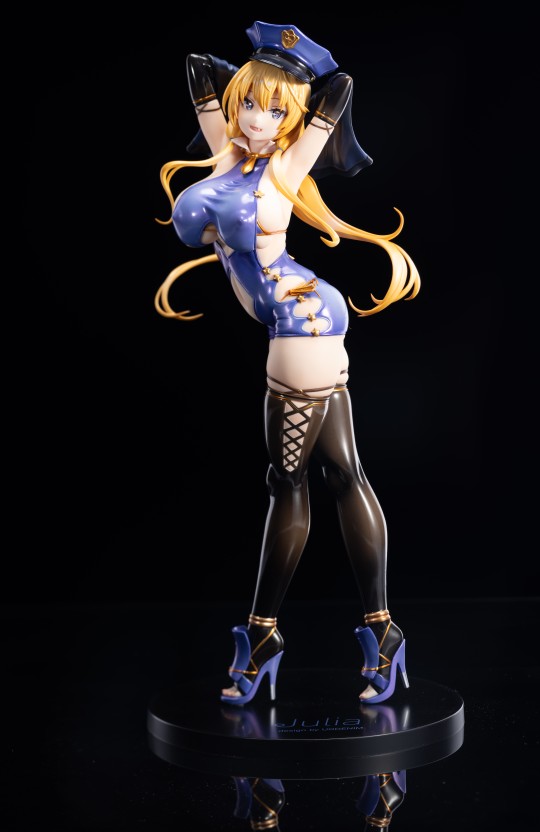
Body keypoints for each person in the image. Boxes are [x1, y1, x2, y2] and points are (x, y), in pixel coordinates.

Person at [154, 21, 420, 706]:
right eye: (249, 104)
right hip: (307, 319)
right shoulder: (225, 152)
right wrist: (257, 67)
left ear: (297, 119)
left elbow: (340, 87)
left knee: (288, 482)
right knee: (343, 472)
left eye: (276, 111)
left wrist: (296, 71)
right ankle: (383, 634)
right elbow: (197, 69)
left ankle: (263, 636)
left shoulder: (288, 165)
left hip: (300, 320)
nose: (257, 119)